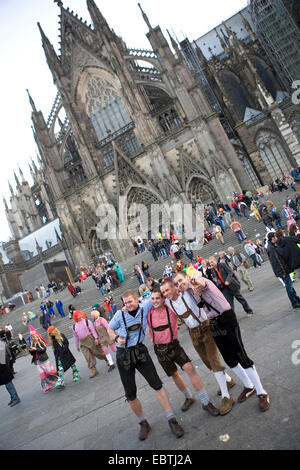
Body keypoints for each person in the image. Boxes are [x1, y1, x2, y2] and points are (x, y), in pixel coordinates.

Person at [175, 271, 270, 412]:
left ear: (187, 278)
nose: (179, 284)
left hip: (226, 317)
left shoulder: (198, 282)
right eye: (176, 283)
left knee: (240, 355)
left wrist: (196, 279)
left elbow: (202, 281)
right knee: (229, 359)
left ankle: (262, 393)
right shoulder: (188, 292)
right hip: (213, 322)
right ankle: (249, 386)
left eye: (181, 280)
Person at [107, 290, 184, 440]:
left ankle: (171, 419)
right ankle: (143, 423)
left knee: (157, 384)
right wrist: (116, 338)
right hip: (124, 355)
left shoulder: (145, 306)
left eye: (130, 301)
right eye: (125, 302)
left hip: (140, 350)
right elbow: (109, 329)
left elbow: (160, 292)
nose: (127, 305)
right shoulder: (119, 315)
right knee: (130, 393)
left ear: (137, 299)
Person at [160, 277, 236, 416]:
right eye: (163, 292)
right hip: (193, 333)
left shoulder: (187, 292)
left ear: (174, 287)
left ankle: (226, 397)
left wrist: (196, 278)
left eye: (167, 290)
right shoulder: (167, 302)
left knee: (214, 361)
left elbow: (196, 280)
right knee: (207, 363)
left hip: (206, 326)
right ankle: (228, 381)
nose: (165, 293)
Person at [148, 289, 219, 416]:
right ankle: (188, 397)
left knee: (190, 368)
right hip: (159, 350)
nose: (155, 301)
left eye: (157, 298)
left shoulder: (170, 308)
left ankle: (206, 402)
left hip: (174, 345)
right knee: (174, 374)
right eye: (152, 298)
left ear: (163, 298)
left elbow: (181, 300)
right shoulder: (148, 313)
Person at [72, 310, 107, 378]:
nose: (79, 315)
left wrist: (96, 338)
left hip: (90, 339)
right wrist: (77, 346)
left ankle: (106, 359)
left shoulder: (87, 321)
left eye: (80, 314)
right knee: (87, 356)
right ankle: (94, 369)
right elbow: (75, 337)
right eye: (78, 315)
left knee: (98, 352)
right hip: (82, 343)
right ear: (75, 317)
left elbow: (93, 330)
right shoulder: (74, 326)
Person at [29, 329, 58, 393]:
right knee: (42, 375)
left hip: (44, 360)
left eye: (34, 336)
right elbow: (32, 354)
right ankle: (46, 387)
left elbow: (43, 350)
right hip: (38, 361)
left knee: (50, 372)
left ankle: (57, 380)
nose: (33, 338)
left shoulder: (41, 342)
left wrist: (36, 349)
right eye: (32, 337)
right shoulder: (32, 344)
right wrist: (31, 351)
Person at [0, 339, 21, 407]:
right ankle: (13, 398)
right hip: (4, 370)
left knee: (9, 385)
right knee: (8, 385)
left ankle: (15, 399)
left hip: (4, 370)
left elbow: (2, 361)